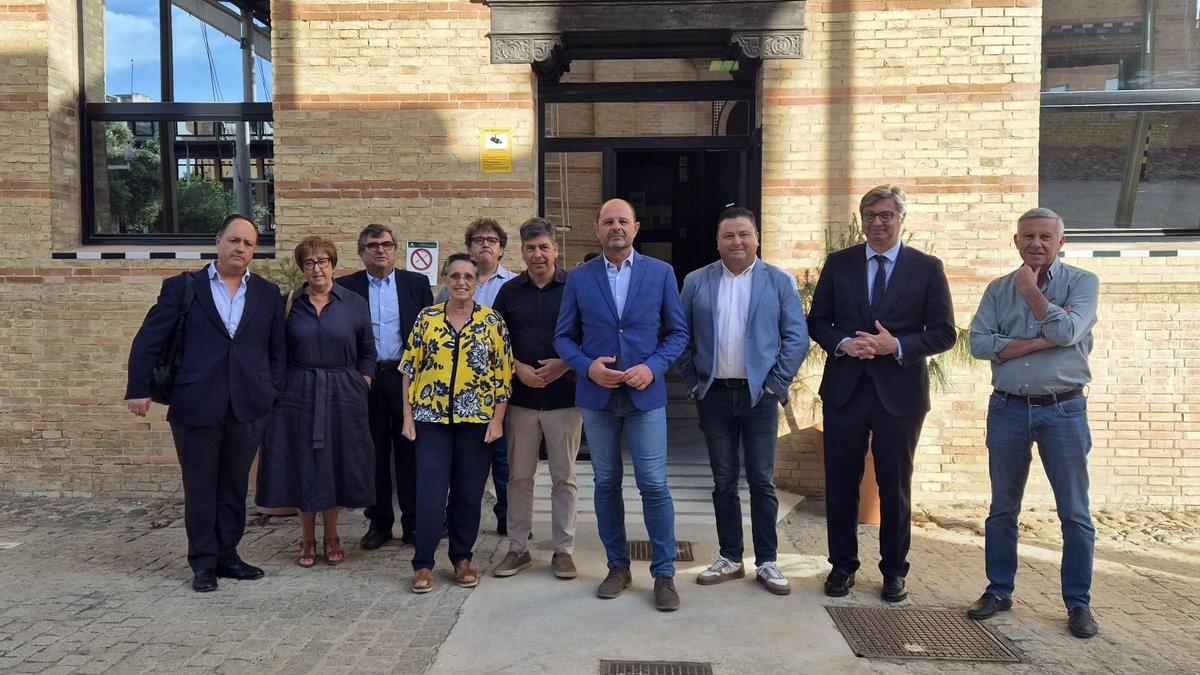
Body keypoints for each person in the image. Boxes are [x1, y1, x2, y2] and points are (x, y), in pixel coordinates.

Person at [806, 185, 956, 602]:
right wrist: (844, 343)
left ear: (901, 219)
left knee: (895, 485)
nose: (877, 223)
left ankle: (894, 571)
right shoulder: (839, 263)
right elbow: (817, 321)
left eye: (886, 215)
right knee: (841, 484)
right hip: (846, 390)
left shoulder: (927, 268)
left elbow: (944, 333)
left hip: (900, 394)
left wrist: (898, 345)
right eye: (870, 215)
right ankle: (842, 566)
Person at [125, 214, 285, 592]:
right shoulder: (183, 288)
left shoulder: (267, 293)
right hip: (195, 402)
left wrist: (271, 391)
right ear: (218, 242)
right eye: (234, 240)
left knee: (233, 486)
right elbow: (149, 339)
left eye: (248, 243)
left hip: (248, 405)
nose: (240, 248)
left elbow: (277, 350)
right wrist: (137, 388)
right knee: (200, 487)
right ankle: (203, 563)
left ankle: (228, 556)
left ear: (254, 251)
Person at [966, 207, 1100, 639]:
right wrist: (1038, 341)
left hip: (1063, 410)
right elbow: (978, 344)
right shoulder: (996, 289)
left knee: (1074, 512)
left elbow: (1067, 334)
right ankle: (999, 590)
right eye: (1028, 236)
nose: (1036, 244)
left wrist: (1030, 293)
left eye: (1045, 236)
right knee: (1002, 507)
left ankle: (1078, 603)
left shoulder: (1083, 283)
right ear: (1016, 241)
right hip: (1007, 408)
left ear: (1061, 242)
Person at [554, 198, 689, 612]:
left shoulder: (660, 273)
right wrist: (587, 367)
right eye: (608, 221)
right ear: (597, 229)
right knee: (606, 482)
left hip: (644, 395)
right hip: (597, 397)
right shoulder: (579, 278)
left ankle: (664, 573)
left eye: (623, 221)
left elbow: (678, 333)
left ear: (636, 228)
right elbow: (563, 338)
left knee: (653, 484)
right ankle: (617, 566)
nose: (616, 227)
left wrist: (653, 367)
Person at [677, 206, 809, 596]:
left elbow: (796, 336)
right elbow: (680, 335)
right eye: (729, 236)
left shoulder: (778, 281)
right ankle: (729, 557)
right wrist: (694, 381)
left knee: (761, 481)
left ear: (757, 238)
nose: (737, 241)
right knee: (723, 481)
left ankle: (767, 560)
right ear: (717, 242)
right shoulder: (696, 281)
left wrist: (776, 383)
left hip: (759, 397)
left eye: (743, 234)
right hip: (713, 394)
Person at [256, 236, 376, 568]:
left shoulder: (354, 303)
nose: (317, 268)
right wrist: (277, 390)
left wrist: (363, 381)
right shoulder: (288, 303)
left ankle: (332, 535)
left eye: (322, 261)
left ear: (333, 264)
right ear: (302, 268)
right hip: (297, 393)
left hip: (343, 393)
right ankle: (307, 538)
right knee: (302, 463)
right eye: (309, 263)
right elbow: (275, 351)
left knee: (335, 462)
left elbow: (368, 351)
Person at [402, 253, 513, 593]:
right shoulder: (427, 318)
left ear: (477, 281)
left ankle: (462, 558)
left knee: (468, 492)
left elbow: (503, 375)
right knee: (430, 493)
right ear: (445, 279)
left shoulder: (492, 321)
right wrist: (407, 416)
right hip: (431, 419)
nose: (461, 282)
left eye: (468, 276)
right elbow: (409, 370)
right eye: (455, 276)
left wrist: (497, 420)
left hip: (476, 421)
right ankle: (423, 563)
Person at [491, 217, 581, 580]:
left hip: (565, 399)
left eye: (544, 247)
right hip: (521, 401)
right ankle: (518, 548)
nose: (538, 254)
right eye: (530, 248)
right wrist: (516, 368)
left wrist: (565, 364)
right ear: (522, 252)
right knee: (519, 477)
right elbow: (496, 342)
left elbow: (591, 335)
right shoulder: (509, 292)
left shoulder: (576, 287)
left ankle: (564, 550)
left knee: (564, 477)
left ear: (556, 249)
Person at [337, 224, 434, 549]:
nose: (381, 250)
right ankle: (379, 523)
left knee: (410, 452)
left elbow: (427, 334)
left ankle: (414, 523)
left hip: (405, 378)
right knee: (373, 453)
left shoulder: (416, 284)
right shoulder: (346, 287)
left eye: (387, 244)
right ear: (361, 252)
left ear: (395, 250)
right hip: (365, 379)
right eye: (373, 245)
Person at [437, 218, 516, 534]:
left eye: (492, 240)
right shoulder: (448, 288)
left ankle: (507, 516)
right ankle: (452, 517)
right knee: (458, 458)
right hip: (457, 390)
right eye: (478, 240)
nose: (485, 244)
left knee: (503, 456)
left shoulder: (514, 285)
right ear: (469, 247)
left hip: (498, 386)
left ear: (501, 249)